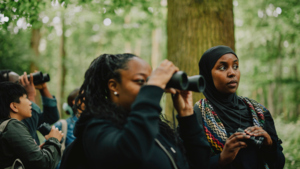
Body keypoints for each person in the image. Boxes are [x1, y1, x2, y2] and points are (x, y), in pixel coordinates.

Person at [60, 53, 211, 169]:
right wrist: (153, 87)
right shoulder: (96, 128)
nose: (147, 88)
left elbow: (201, 164)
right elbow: (129, 154)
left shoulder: (155, 128)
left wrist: (187, 115)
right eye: (140, 81)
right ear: (114, 86)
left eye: (149, 81)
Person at [193, 45, 285, 169]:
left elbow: (279, 164)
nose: (232, 73)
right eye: (222, 67)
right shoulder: (198, 114)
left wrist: (269, 144)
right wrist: (221, 159)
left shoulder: (259, 112)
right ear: (207, 75)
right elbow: (188, 164)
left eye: (235, 66)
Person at [0, 82, 63, 169]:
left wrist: (36, 150)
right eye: (26, 98)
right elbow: (43, 164)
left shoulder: (5, 126)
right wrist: (54, 140)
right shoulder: (13, 126)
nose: (30, 103)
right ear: (14, 106)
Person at [0, 70, 60, 145]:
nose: (22, 85)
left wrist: (43, 89)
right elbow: (30, 125)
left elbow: (51, 117)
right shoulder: (9, 118)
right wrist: (30, 95)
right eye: (18, 82)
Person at [53, 88, 80, 169]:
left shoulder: (95, 125)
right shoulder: (62, 125)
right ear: (75, 102)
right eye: (85, 95)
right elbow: (48, 156)